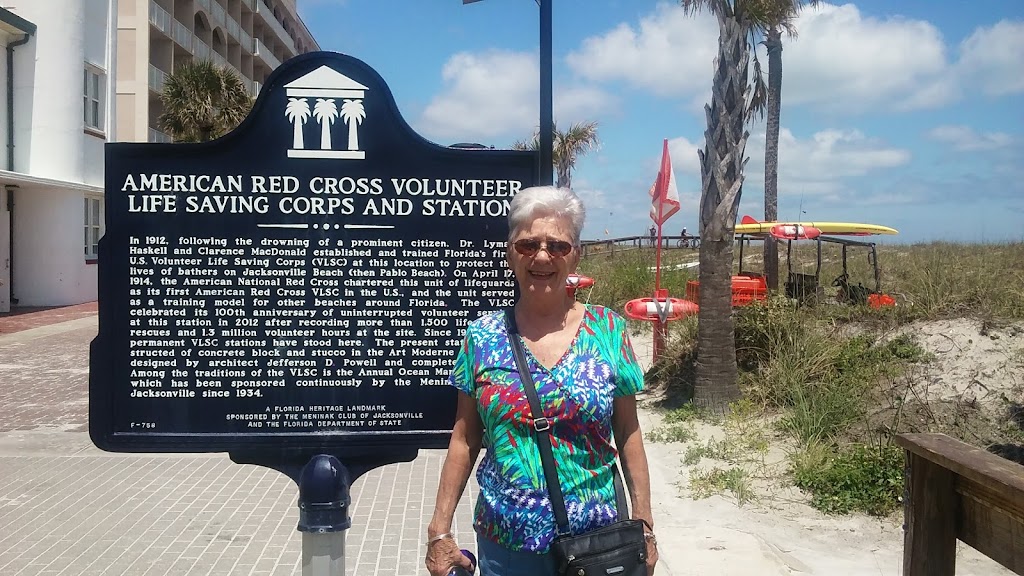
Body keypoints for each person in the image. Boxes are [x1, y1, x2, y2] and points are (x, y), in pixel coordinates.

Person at [425, 186, 658, 576]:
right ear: (510, 253)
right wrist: (438, 530)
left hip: (598, 543)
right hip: (508, 544)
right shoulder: (482, 337)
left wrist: (645, 524)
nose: (543, 256)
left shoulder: (608, 330)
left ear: (576, 255)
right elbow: (465, 437)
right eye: (528, 244)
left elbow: (628, 431)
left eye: (558, 246)